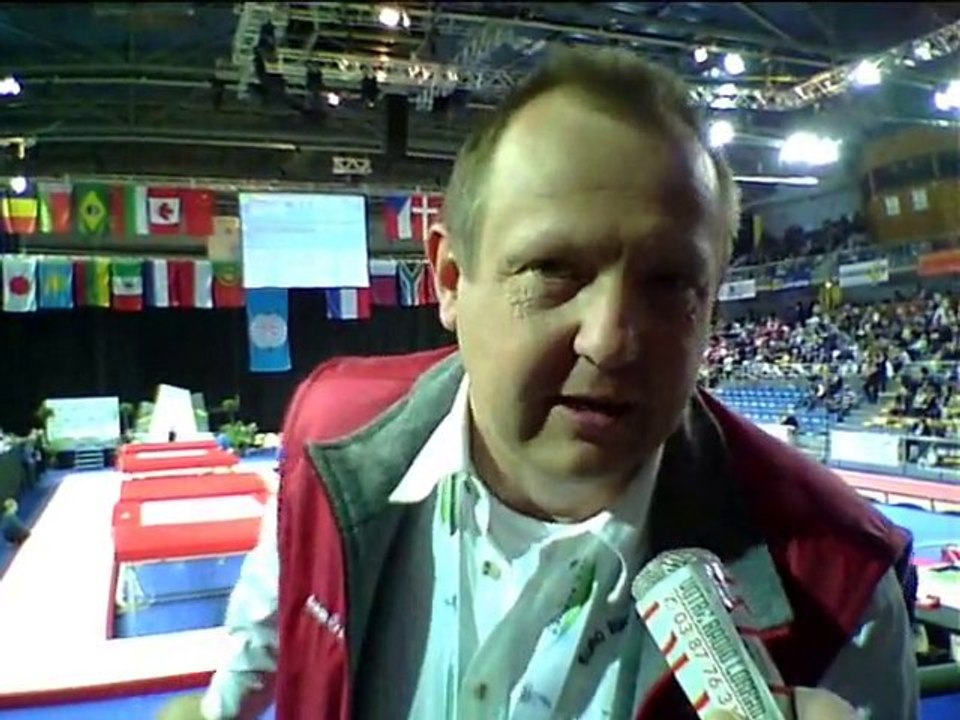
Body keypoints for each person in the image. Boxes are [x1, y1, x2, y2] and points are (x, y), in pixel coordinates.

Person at [160, 47, 917, 720]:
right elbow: (264, 636)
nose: (612, 339)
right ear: (451, 279)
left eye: (670, 284)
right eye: (554, 270)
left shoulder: (842, 586)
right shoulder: (331, 444)